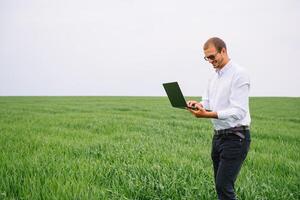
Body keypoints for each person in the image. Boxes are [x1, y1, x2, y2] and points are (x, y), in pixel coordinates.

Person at [187, 37, 251, 200]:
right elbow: (208, 102)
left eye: (212, 56)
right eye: (206, 58)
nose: (209, 61)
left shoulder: (239, 74)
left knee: (224, 186)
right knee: (220, 185)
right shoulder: (213, 77)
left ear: (223, 50)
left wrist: (207, 114)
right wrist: (198, 105)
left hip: (236, 137)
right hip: (218, 137)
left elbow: (239, 111)